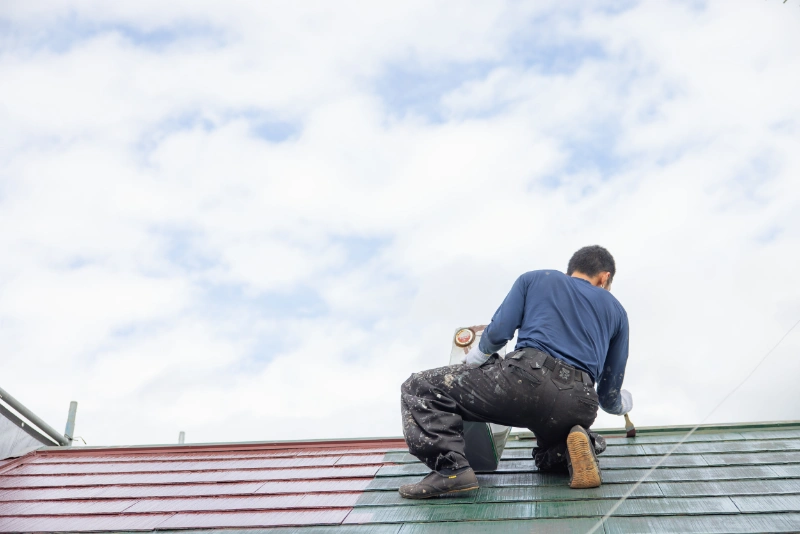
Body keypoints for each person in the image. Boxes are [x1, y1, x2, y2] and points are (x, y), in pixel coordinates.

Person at [399, 245, 632, 499]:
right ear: (604, 277)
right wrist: (625, 403)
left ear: (573, 270)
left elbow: (498, 333)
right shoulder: (617, 311)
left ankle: (452, 471)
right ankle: (576, 445)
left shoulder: (536, 279)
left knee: (419, 387)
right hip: (580, 403)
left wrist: (474, 359)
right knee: (545, 456)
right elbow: (609, 395)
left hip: (526, 380)